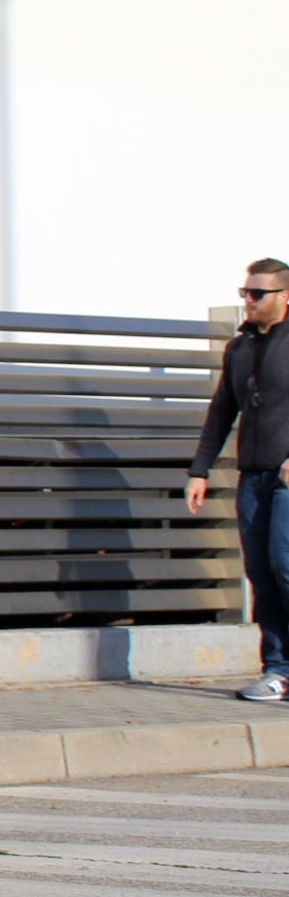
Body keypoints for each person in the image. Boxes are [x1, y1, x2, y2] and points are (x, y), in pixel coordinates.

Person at [187, 257, 289, 700]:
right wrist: (199, 470)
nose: (247, 300)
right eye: (244, 293)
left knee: (285, 565)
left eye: (257, 294)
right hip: (253, 479)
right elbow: (221, 413)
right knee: (260, 573)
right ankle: (278, 670)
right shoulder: (239, 348)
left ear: (284, 296)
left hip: (287, 479)